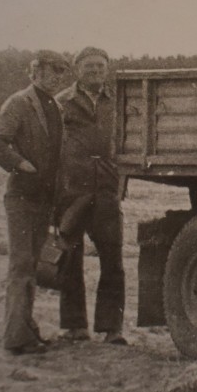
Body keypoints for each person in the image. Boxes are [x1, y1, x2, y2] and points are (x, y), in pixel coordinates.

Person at [0, 50, 70, 355]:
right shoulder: (19, 102)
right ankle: (16, 338)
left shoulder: (55, 108)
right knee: (21, 266)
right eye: (51, 70)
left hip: (45, 201)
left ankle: (27, 329)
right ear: (35, 71)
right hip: (21, 198)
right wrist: (22, 164)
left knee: (32, 267)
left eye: (62, 71)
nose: (57, 76)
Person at [55, 47, 126, 344]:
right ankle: (75, 327)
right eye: (89, 67)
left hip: (107, 191)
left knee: (113, 260)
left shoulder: (119, 102)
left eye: (100, 66)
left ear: (108, 70)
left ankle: (112, 329)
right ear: (76, 70)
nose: (95, 71)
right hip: (72, 191)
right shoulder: (61, 104)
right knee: (70, 258)